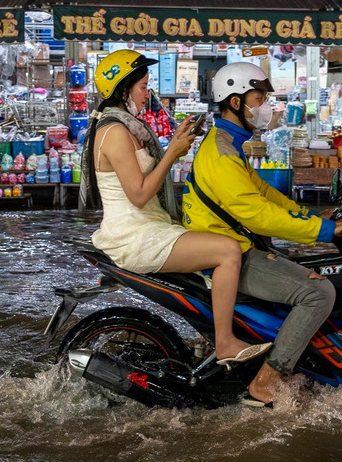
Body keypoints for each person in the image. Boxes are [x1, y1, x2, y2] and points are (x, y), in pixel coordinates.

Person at [182, 62, 342, 407]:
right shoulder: (222, 152)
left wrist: (314, 217)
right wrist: (324, 229)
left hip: (238, 245)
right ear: (236, 102)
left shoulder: (229, 143)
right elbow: (257, 213)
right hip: (231, 253)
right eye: (259, 97)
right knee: (318, 292)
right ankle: (266, 381)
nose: (266, 106)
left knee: (314, 267)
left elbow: (265, 196)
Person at [78, 50, 270, 366]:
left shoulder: (129, 127)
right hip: (134, 234)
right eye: (142, 86)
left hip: (153, 226)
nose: (147, 92)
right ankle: (224, 344)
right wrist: (172, 154)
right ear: (123, 88)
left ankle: (206, 337)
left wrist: (175, 147)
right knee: (227, 251)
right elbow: (139, 195)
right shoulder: (113, 132)